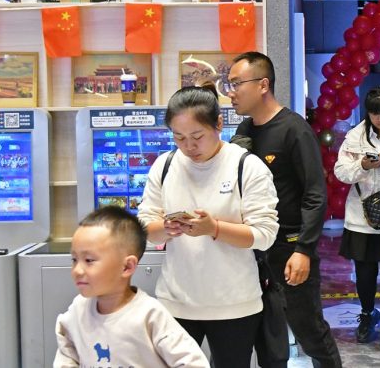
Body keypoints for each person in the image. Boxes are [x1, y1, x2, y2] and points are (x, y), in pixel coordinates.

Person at [137, 83, 279, 367]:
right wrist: (167, 228)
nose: (188, 146)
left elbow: (264, 235)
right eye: (179, 137)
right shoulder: (164, 165)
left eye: (197, 136)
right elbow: (145, 226)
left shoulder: (246, 167)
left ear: (218, 123)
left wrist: (214, 228)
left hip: (235, 305)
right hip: (175, 301)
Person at [227, 51, 342, 367]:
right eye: (229, 84)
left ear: (263, 84)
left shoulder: (294, 129)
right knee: (268, 338)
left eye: (237, 83)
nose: (231, 92)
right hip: (252, 252)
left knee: (309, 332)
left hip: (289, 248)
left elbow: (315, 195)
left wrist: (304, 249)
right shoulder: (244, 133)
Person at [55, 207, 209, 368]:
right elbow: (66, 352)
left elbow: (193, 363)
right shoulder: (77, 310)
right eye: (74, 260)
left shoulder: (150, 315)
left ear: (127, 266)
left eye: (89, 260)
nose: (78, 270)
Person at [334, 87, 380, 352]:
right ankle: (367, 315)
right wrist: (363, 166)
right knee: (364, 273)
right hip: (361, 217)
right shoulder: (354, 136)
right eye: (375, 113)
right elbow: (340, 171)